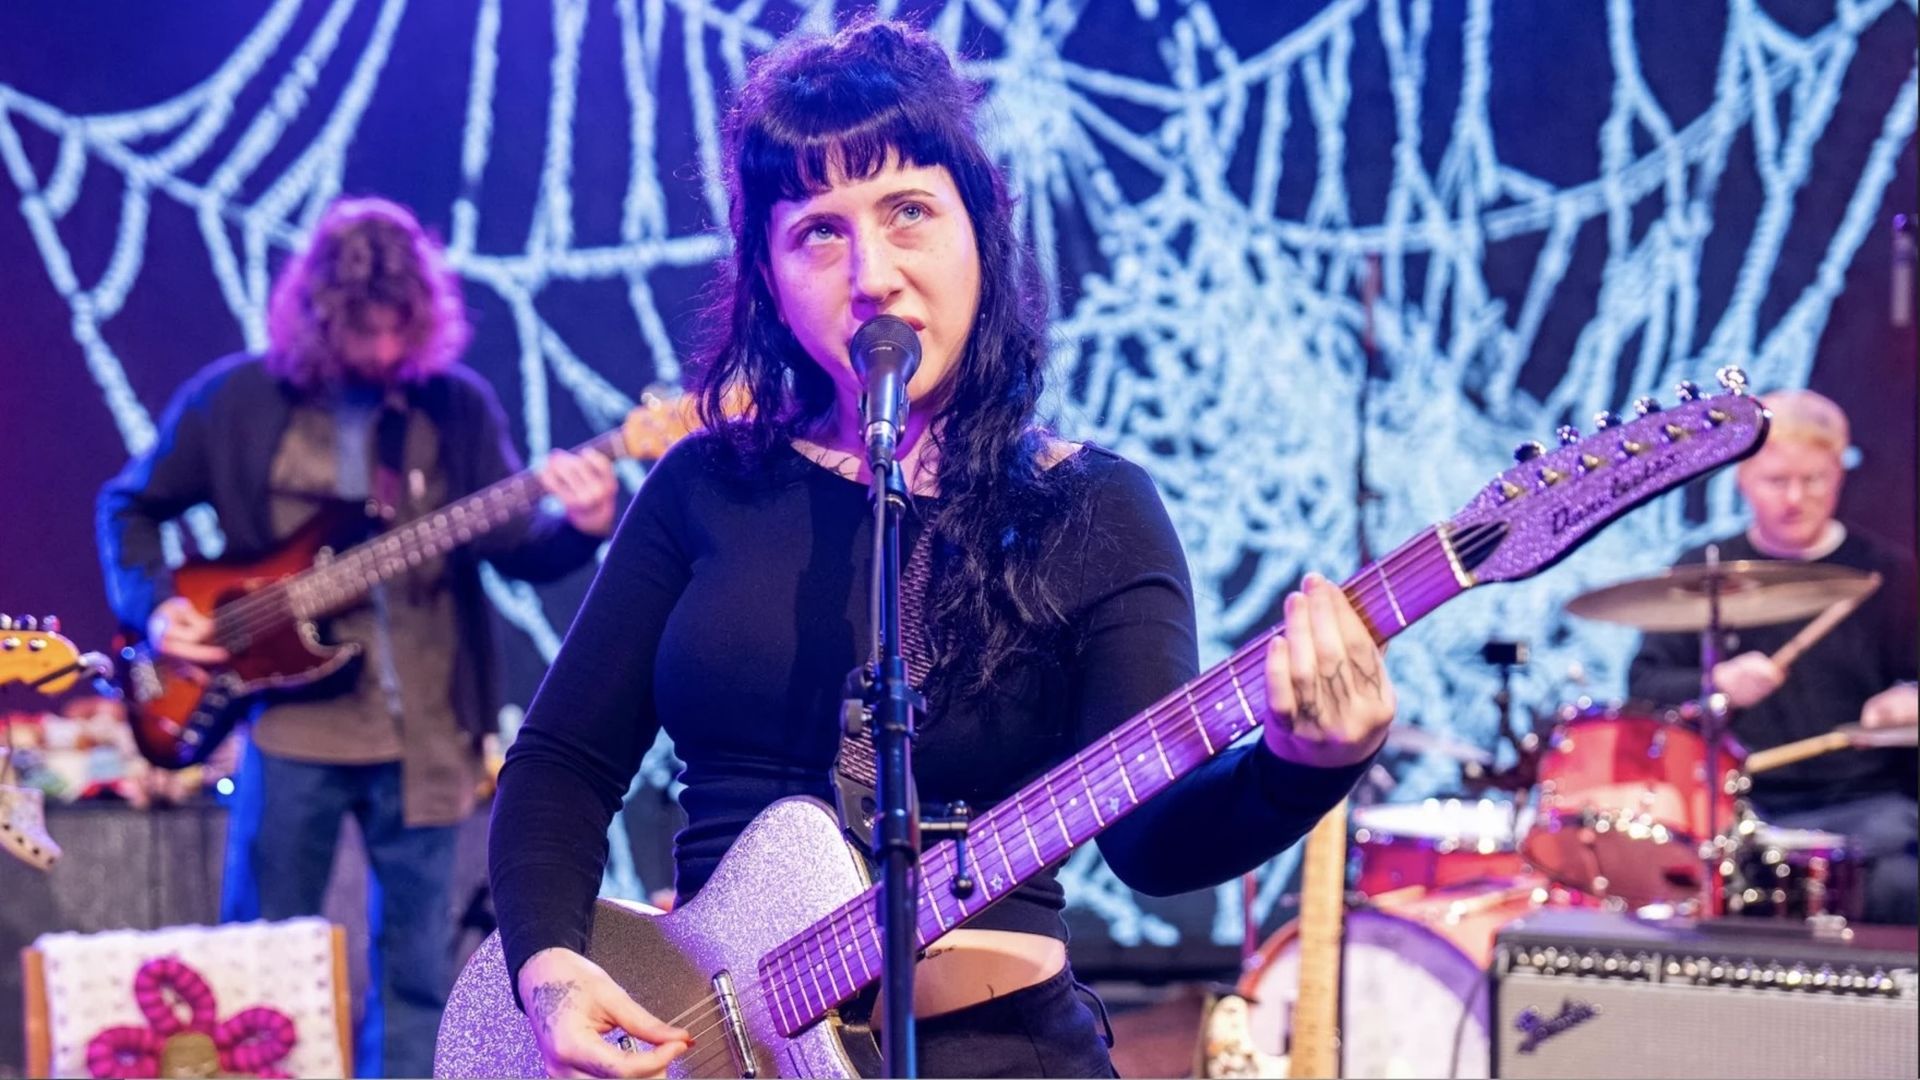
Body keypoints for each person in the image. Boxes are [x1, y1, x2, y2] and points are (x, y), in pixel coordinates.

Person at [487, 18, 1395, 1079]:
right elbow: (560, 763)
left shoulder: (1093, 508)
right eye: (819, 232)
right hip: (724, 1052)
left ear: (981, 233)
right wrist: (549, 966)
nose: (871, 272)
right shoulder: (702, 487)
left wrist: (1305, 767)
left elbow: (1152, 842)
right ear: (770, 278)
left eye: (909, 211)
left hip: (1005, 1054)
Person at [96, 196, 617, 1078]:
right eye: (359, 329)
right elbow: (130, 506)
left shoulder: (452, 407)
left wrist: (584, 524)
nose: (379, 350)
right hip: (291, 729)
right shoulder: (237, 399)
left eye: (396, 329)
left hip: (424, 737)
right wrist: (154, 607)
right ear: (315, 314)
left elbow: (509, 548)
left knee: (419, 973)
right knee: (256, 960)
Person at [1629, 388, 1918, 924]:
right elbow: (1645, 686)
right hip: (1739, 807)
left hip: (1867, 805)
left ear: (1840, 471)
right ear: (1742, 478)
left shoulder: (1889, 573)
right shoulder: (1704, 571)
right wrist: (1715, 682)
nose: (1795, 499)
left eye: (1814, 480)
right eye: (1775, 481)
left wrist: (1910, 698)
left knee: (1903, 880)